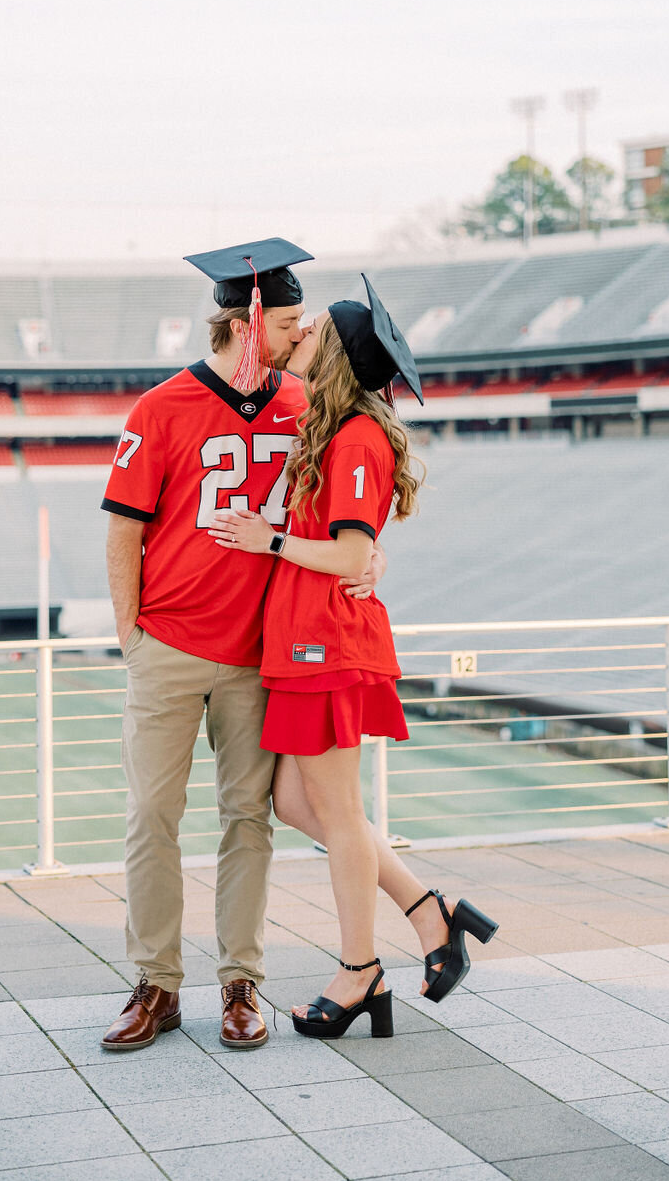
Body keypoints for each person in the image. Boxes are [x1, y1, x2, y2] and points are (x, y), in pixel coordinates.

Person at [98, 238, 383, 1055]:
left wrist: (376, 552)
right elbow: (124, 527)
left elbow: (353, 501)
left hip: (265, 654)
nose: (302, 337)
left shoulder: (312, 403)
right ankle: (155, 982)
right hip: (172, 642)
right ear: (247, 321)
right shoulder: (161, 408)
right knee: (151, 813)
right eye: (291, 322)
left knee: (248, 819)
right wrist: (132, 636)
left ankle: (240, 982)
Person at [211, 278, 498, 1039]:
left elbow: (349, 554)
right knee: (297, 802)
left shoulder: (356, 438)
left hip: (328, 644)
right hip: (304, 643)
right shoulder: (329, 429)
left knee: (336, 814)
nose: (296, 337)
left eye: (307, 336)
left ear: (333, 353)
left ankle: (360, 970)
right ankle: (429, 914)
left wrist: (266, 540)